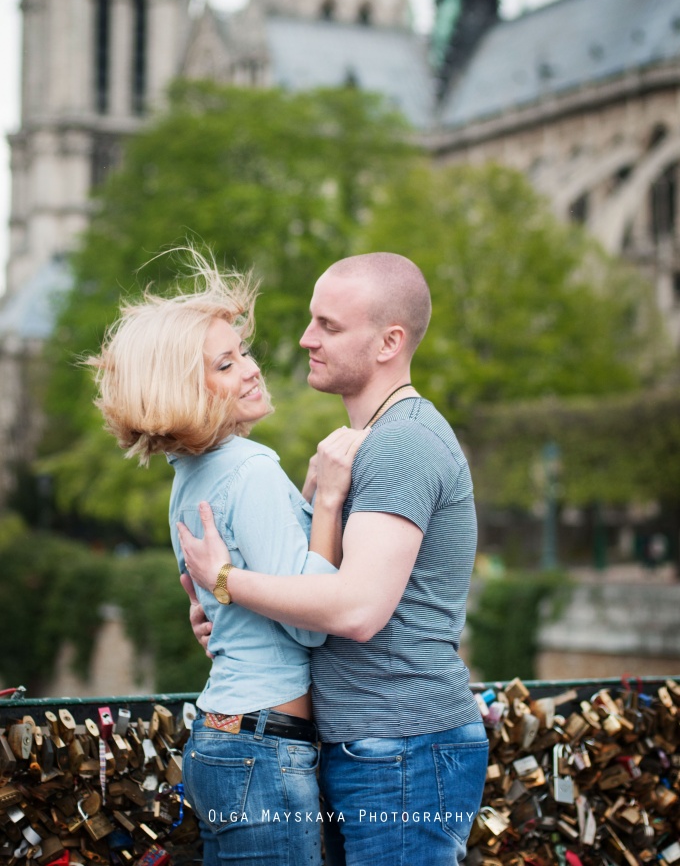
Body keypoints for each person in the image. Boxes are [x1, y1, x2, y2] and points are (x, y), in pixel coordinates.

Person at [179, 252, 489, 866]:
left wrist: (228, 581)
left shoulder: (401, 445)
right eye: (311, 319)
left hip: (402, 745)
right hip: (374, 744)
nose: (306, 338)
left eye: (329, 325)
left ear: (389, 343)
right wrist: (232, 613)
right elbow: (317, 585)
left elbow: (356, 611)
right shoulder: (366, 446)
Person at [86, 253, 366, 866]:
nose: (251, 369)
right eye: (225, 364)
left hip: (225, 740)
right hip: (264, 749)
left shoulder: (189, 477)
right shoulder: (250, 468)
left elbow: (233, 601)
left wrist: (305, 495)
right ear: (185, 390)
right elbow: (311, 624)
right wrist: (328, 502)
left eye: (242, 352)